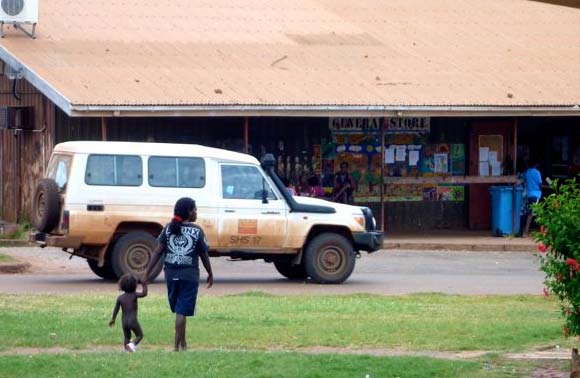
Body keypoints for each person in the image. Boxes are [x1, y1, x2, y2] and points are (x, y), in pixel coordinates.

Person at [143, 197, 214, 352]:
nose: (196, 212)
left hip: (171, 275)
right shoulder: (197, 230)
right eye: (195, 209)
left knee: (179, 309)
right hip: (189, 276)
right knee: (182, 312)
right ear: (189, 211)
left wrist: (146, 274)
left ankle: (184, 344)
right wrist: (210, 273)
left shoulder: (168, 228)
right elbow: (204, 255)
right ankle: (176, 347)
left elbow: (157, 252)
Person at [109, 274, 148, 352]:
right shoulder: (134, 295)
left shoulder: (120, 298)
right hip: (132, 320)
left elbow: (116, 309)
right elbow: (144, 293)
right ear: (134, 286)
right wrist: (144, 284)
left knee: (127, 337)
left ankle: (127, 350)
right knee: (139, 335)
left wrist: (113, 319)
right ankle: (131, 345)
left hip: (124, 321)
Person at [522, 163, 542, 237]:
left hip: (529, 194)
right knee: (532, 213)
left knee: (536, 212)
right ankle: (526, 232)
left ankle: (542, 230)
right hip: (536, 194)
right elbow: (540, 184)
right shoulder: (537, 172)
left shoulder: (527, 172)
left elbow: (525, 181)